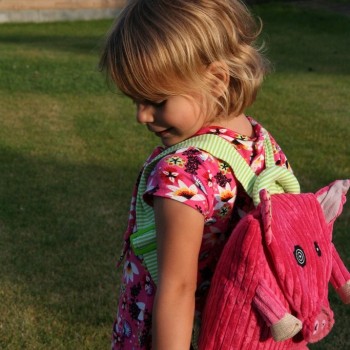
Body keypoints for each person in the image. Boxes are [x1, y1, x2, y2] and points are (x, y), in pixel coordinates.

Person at [99, 0, 293, 349]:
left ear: (217, 80)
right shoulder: (260, 143)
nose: (142, 116)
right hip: (240, 328)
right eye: (135, 100)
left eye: (156, 100)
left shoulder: (180, 174)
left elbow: (178, 288)